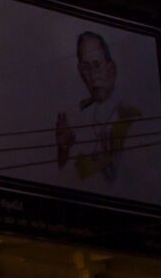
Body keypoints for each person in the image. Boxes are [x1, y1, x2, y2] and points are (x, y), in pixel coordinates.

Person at [54, 31, 142, 185]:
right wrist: (64, 150)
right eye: (86, 68)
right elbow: (61, 181)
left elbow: (134, 182)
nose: (93, 75)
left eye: (97, 65)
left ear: (112, 69)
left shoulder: (130, 117)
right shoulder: (78, 116)